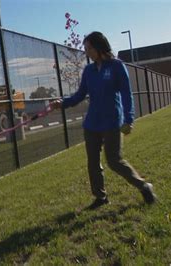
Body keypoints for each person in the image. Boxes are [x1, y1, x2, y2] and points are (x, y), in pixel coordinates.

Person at [56, 31, 156, 210]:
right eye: (85, 49)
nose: (86, 52)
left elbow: (127, 94)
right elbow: (80, 95)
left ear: (98, 46)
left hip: (112, 122)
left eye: (89, 48)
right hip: (92, 123)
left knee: (114, 161)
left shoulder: (117, 66)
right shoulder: (89, 70)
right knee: (93, 162)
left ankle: (144, 186)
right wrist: (63, 103)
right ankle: (100, 197)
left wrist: (129, 119)